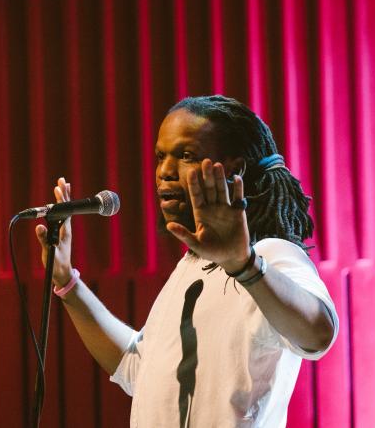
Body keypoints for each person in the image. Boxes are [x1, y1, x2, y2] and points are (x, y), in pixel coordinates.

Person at [35, 95, 338, 427]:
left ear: (234, 171)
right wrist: (65, 280)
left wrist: (245, 265)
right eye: (160, 156)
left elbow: (318, 334)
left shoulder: (271, 255)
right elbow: (138, 367)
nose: (165, 171)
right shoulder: (191, 267)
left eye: (186, 156)